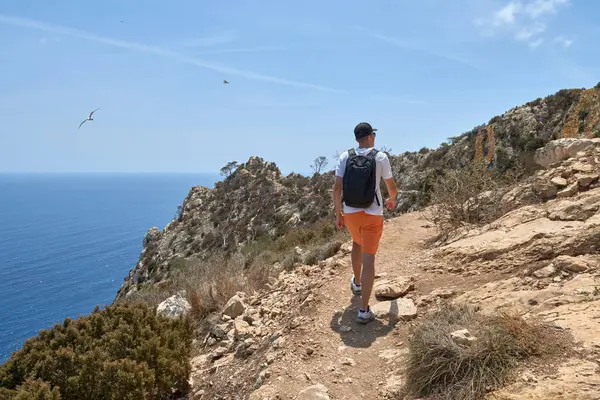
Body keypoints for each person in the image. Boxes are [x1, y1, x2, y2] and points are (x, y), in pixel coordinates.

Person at [333, 122, 397, 323]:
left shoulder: (345, 156)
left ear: (356, 138)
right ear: (370, 136)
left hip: (351, 212)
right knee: (369, 259)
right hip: (372, 213)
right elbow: (391, 187)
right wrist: (391, 200)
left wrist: (338, 213)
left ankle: (357, 283)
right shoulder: (380, 157)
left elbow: (336, 188)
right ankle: (363, 310)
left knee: (356, 243)